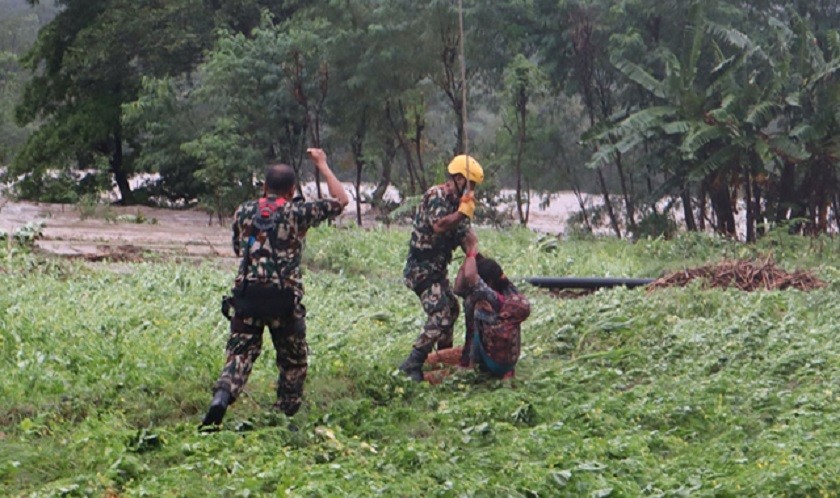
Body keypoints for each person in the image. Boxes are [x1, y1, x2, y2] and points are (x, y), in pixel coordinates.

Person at [201, 148, 349, 428]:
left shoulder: (244, 210)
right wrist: (323, 165)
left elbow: (238, 248)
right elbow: (341, 200)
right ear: (292, 189)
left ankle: (222, 397)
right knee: (293, 362)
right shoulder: (296, 211)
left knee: (240, 354)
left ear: (264, 186)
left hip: (246, 296)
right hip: (283, 300)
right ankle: (282, 416)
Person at [399, 154, 484, 381]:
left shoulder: (461, 204)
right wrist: (460, 213)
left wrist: (475, 258)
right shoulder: (436, 196)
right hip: (421, 269)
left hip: (438, 270)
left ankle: (442, 357)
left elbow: (466, 236)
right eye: (470, 184)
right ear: (457, 178)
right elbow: (439, 225)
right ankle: (413, 362)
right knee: (440, 315)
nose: (472, 190)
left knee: (453, 310)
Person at [453, 253, 530, 379]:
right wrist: (471, 257)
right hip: (507, 362)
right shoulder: (510, 292)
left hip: (494, 361)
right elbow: (458, 289)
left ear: (487, 282)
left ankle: (469, 364)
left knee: (472, 305)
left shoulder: (492, 298)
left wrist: (470, 253)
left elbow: (469, 278)